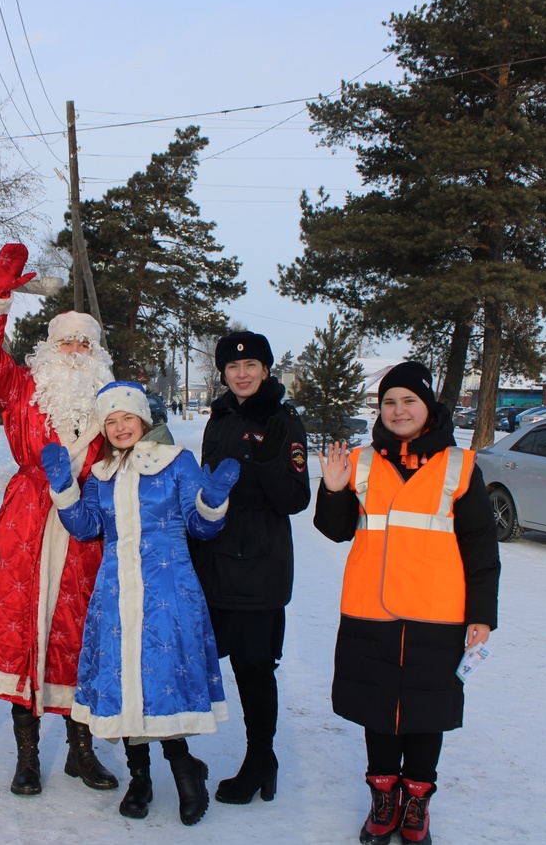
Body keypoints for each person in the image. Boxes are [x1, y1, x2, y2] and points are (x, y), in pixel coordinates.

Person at [314, 361, 500, 845]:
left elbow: (481, 546)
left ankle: (416, 804)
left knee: (426, 712)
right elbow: (334, 530)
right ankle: (383, 798)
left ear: (428, 408)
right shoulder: (360, 461)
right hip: (369, 610)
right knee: (378, 710)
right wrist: (332, 491)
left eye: (408, 402)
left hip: (437, 614)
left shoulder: (460, 467)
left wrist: (482, 615)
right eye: (389, 402)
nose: (398, 411)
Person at [0, 242, 119, 796]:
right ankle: (27, 758)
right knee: (23, 630)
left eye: (84, 342)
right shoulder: (20, 388)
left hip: (87, 523)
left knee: (80, 635)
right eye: (66, 340)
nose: (74, 349)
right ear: (47, 348)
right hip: (28, 520)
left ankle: (80, 751)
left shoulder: (110, 402)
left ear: (96, 352)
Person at [43, 381, 239, 826]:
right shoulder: (101, 473)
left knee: (161, 680)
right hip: (114, 592)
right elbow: (85, 527)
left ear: (143, 420)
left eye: (126, 418)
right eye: (109, 421)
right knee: (125, 681)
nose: (118, 427)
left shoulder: (176, 462)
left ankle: (186, 773)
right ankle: (140, 779)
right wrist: (64, 490)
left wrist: (212, 501)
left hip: (167, 591)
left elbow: (201, 527)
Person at [189, 331, 310, 805]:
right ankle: (182, 756)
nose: (242, 374)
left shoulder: (281, 420)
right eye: (233, 367)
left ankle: (261, 758)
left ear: (265, 370)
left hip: (258, 566)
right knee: (193, 661)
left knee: (253, 669)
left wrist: (265, 461)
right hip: (213, 562)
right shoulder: (219, 417)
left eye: (251, 366)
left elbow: (295, 499)